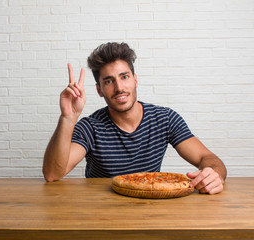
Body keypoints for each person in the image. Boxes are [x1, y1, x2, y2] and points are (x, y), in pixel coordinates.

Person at [43, 42, 226, 194]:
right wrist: (68, 117)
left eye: (124, 77)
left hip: (150, 210)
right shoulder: (90, 127)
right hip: (101, 214)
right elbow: (52, 174)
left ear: (135, 80)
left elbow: (207, 157)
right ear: (99, 90)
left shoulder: (165, 119)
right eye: (108, 81)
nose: (119, 87)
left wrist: (213, 173)